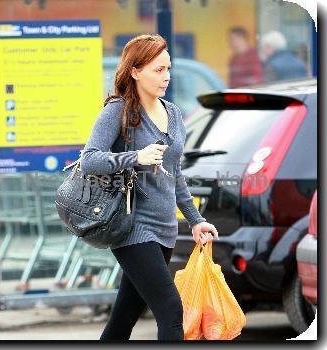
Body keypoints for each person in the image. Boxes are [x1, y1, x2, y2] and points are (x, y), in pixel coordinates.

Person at [80, 34, 219, 341]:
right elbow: (88, 160)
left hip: (165, 229)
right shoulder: (117, 112)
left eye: (168, 68)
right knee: (171, 310)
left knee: (124, 317)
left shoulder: (173, 113)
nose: (166, 76)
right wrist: (135, 157)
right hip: (131, 227)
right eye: (158, 70)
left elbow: (175, 173)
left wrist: (195, 220)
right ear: (135, 71)